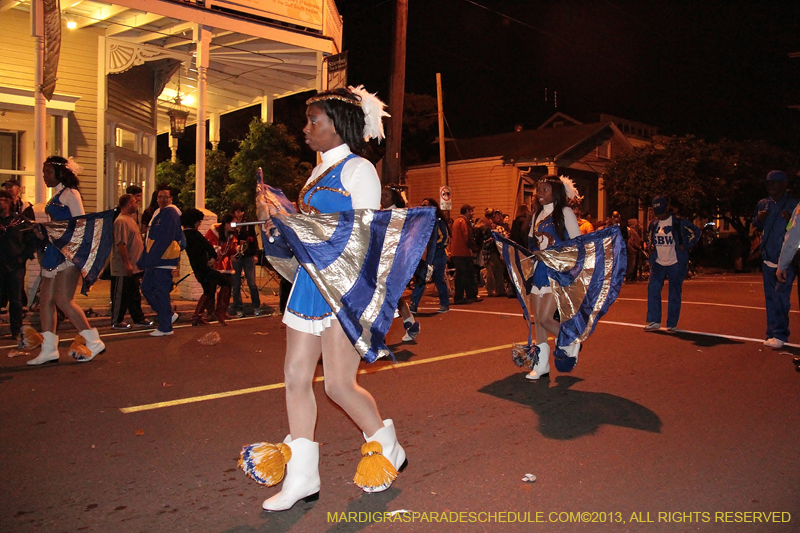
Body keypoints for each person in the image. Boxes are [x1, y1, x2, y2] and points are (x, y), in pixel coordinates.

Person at [253, 86, 407, 511]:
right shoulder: (316, 173)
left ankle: (385, 444)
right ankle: (302, 477)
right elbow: (311, 231)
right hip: (308, 284)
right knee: (295, 377)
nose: (306, 129)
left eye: (313, 121)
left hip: (343, 286)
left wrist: (304, 224)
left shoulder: (360, 171)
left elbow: (364, 236)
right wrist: (278, 219)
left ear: (339, 124)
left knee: (339, 385)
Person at [26, 156, 105, 365]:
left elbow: (80, 224)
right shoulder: (58, 195)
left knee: (63, 300)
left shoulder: (71, 194)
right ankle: (49, 349)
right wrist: (44, 231)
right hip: (54, 251)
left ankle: (93, 340)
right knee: (45, 301)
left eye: (48, 172)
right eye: (44, 172)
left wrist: (50, 231)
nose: (45, 176)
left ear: (61, 173)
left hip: (67, 254)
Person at [524, 175, 582, 380]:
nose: (540, 194)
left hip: (556, 270)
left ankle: (570, 341)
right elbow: (532, 241)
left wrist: (556, 257)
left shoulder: (565, 212)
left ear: (556, 192)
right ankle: (541, 365)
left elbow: (576, 243)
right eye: (538, 190)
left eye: (545, 190)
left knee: (545, 318)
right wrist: (534, 253)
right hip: (538, 269)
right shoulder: (536, 215)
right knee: (537, 321)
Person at [754, 170, 798, 348]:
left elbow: (796, 232)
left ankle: (780, 334)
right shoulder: (763, 204)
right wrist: (759, 218)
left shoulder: (794, 204)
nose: (771, 187)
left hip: (786, 261)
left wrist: (790, 219)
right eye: (768, 184)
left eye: (774, 183)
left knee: (781, 298)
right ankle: (771, 332)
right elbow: (755, 224)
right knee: (770, 298)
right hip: (767, 258)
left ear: (784, 185)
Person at [644, 196, 701, 332]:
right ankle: (654, 320)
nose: (659, 215)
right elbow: (649, 236)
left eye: (661, 212)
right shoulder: (654, 224)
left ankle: (671, 323)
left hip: (675, 262)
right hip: (658, 262)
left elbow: (697, 232)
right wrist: (650, 246)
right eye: (657, 212)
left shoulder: (678, 222)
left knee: (674, 292)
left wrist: (686, 245)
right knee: (653, 290)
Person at [137, 185, 185, 337]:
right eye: (160, 196)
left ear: (171, 199)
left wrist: (150, 259)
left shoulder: (170, 213)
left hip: (163, 259)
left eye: (166, 196)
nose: (163, 199)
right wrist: (145, 258)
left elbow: (165, 238)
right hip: (155, 259)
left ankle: (166, 326)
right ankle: (167, 316)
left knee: (160, 291)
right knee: (147, 288)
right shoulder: (159, 213)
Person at [379, 186, 419, 341]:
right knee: (392, 296)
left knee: (385, 296)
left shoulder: (397, 215)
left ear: (394, 198)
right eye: (382, 195)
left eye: (387, 195)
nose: (383, 198)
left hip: (393, 261)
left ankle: (379, 335)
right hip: (382, 260)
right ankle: (410, 323)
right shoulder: (382, 213)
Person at [181, 208, 230, 326]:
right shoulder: (194, 234)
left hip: (198, 269)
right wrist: (212, 258)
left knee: (208, 290)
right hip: (204, 269)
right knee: (226, 282)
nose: (200, 224)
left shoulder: (184, 235)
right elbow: (208, 246)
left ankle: (197, 316)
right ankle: (219, 311)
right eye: (199, 221)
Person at [110, 194, 151, 330]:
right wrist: (126, 263)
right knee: (121, 295)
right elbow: (121, 244)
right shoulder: (121, 221)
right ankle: (116, 320)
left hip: (135, 266)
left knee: (133, 295)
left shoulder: (131, 220)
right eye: (134, 202)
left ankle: (138, 319)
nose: (136, 204)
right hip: (123, 267)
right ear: (128, 204)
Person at [0, 189, 35, 339]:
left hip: (15, 267)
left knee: (15, 300)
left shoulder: (20, 221)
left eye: (3, 199)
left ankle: (16, 330)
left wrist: (23, 258)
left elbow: (31, 240)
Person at [409, 198, 450, 314]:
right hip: (425, 254)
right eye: (422, 205)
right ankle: (413, 304)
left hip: (437, 254)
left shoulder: (438, 221)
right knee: (422, 278)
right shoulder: (421, 222)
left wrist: (431, 246)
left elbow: (444, 238)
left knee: (438, 279)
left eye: (426, 205)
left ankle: (445, 303)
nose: (423, 207)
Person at [230, 203, 264, 318]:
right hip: (236, 257)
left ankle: (256, 306)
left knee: (252, 283)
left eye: (241, 211)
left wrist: (255, 254)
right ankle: (238, 308)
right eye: (237, 211)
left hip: (248, 256)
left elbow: (253, 240)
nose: (240, 214)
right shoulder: (231, 224)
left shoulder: (248, 224)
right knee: (235, 284)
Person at [203, 213, 237, 325]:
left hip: (225, 263)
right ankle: (210, 311)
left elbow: (232, 250)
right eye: (232, 223)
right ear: (226, 224)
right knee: (210, 288)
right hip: (213, 263)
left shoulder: (232, 236)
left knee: (227, 286)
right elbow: (205, 245)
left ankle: (221, 311)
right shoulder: (213, 232)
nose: (234, 226)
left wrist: (235, 252)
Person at [450, 204, 480, 304]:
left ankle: (459, 296)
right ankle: (470, 295)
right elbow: (467, 236)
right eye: (471, 211)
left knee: (460, 275)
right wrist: (474, 248)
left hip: (456, 252)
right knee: (468, 274)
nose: (473, 213)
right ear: (467, 211)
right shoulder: (464, 221)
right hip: (463, 252)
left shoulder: (456, 221)